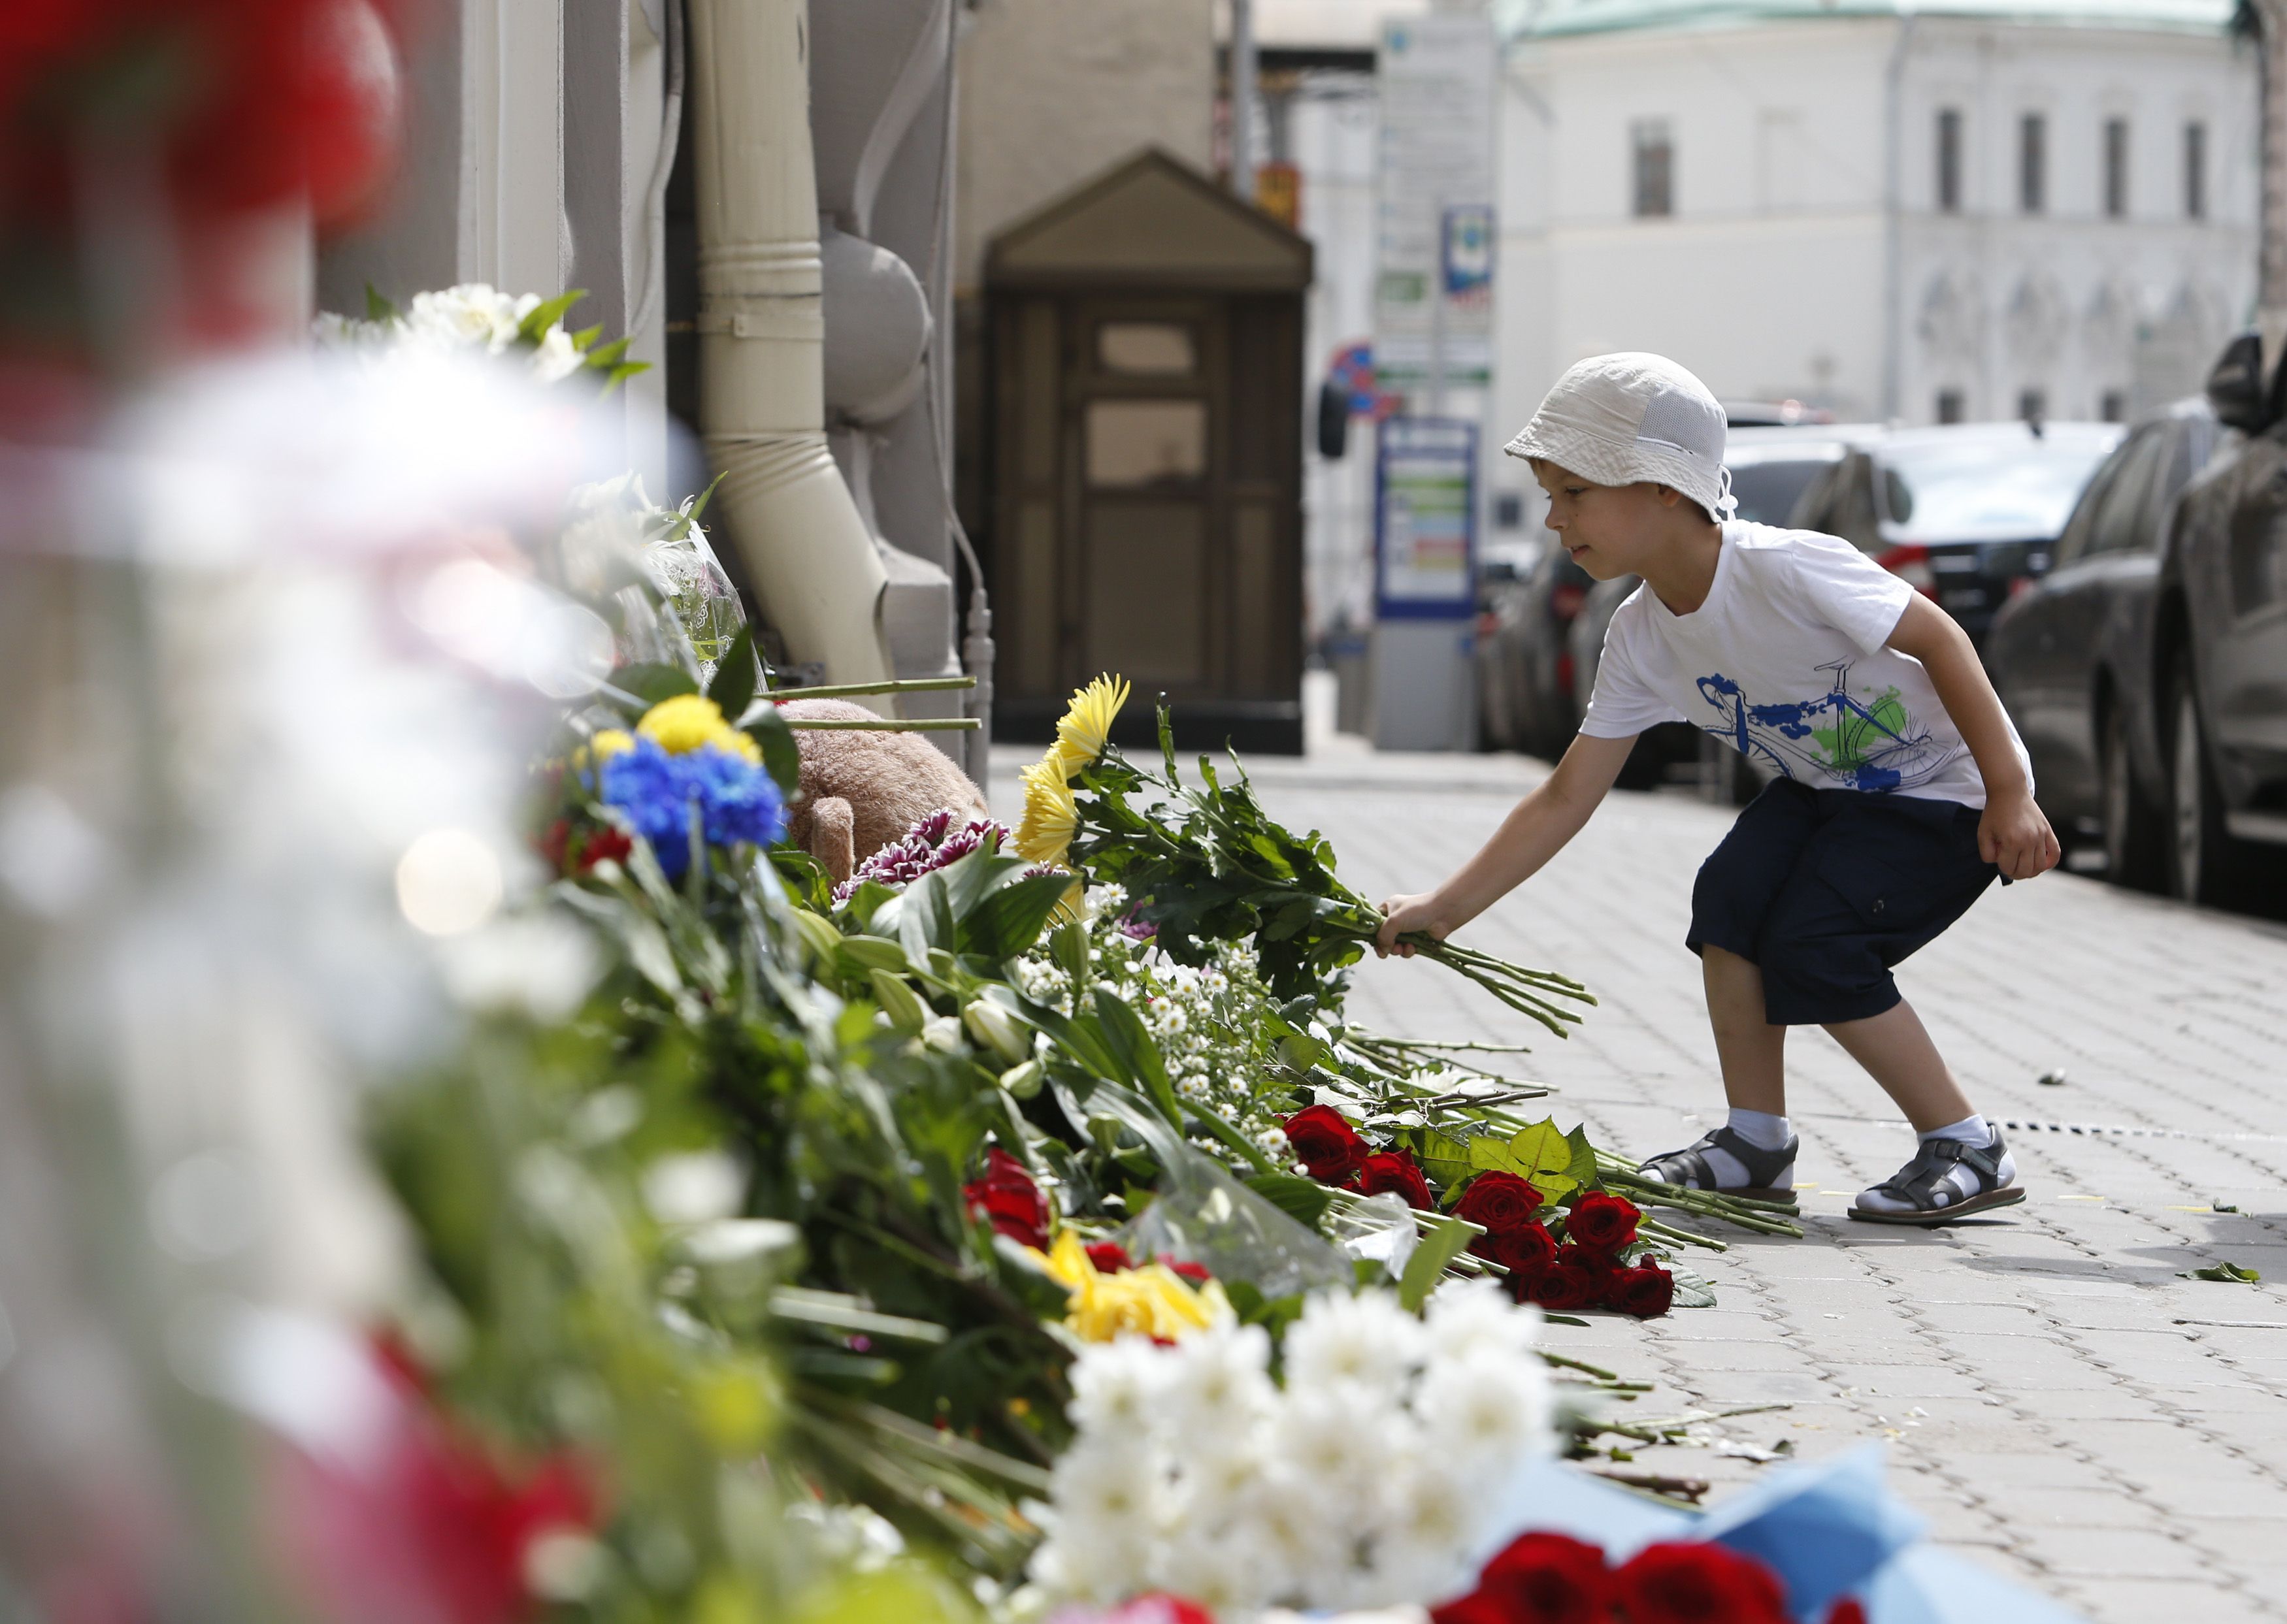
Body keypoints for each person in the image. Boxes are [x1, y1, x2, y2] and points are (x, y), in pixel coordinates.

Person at [1374, 353, 2059, 1226]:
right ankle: (1754, 1141)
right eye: (1550, 494)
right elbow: (1565, 796)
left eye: (1575, 491)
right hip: (1830, 789)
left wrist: (2008, 791)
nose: (1553, 519)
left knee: (1814, 943)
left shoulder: (1785, 567)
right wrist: (1448, 903)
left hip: (1944, 793)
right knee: (1729, 897)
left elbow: (1942, 639)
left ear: (1665, 486)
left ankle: (1965, 1140)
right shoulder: (1639, 637)